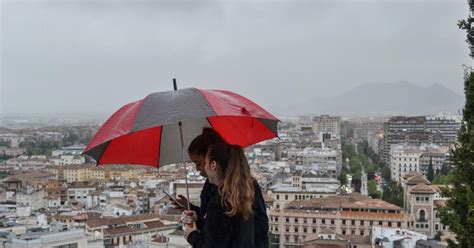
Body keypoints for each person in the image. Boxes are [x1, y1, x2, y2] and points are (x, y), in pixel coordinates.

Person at [172, 128, 269, 248]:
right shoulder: (214, 187)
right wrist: (195, 213)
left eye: (199, 163)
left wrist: (192, 236)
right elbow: (219, 228)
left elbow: (221, 228)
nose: (198, 169)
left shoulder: (234, 191)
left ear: (213, 163)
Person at [183, 142, 255, 247]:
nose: (203, 168)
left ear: (213, 165)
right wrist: (198, 219)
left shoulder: (219, 202)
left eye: (205, 163)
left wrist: (191, 235)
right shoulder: (239, 194)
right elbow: (220, 233)